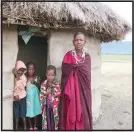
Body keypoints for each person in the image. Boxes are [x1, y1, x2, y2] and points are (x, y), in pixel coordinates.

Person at [58, 32, 92, 130]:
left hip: (83, 91)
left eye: (81, 40)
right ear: (73, 42)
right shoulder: (68, 55)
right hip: (71, 90)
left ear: (85, 42)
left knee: (82, 110)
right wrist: (73, 69)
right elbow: (65, 70)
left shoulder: (87, 57)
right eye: (76, 40)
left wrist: (76, 68)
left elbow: (87, 76)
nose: (78, 42)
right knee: (70, 108)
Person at [40, 65, 61, 130]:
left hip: (54, 107)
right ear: (46, 75)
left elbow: (59, 93)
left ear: (55, 75)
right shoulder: (43, 84)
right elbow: (41, 95)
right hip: (46, 107)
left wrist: (52, 94)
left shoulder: (57, 84)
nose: (50, 77)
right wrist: (46, 93)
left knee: (54, 121)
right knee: (47, 120)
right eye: (49, 75)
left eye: (52, 75)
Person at [26, 62, 42, 130]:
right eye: (29, 69)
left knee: (36, 110)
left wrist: (35, 82)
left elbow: (39, 87)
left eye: (32, 69)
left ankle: (35, 125)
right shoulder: (25, 78)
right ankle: (30, 126)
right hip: (28, 99)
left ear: (34, 70)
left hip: (35, 98)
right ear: (27, 70)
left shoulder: (37, 78)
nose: (31, 70)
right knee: (28, 111)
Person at [13, 60, 27, 130]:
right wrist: (15, 95)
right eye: (19, 70)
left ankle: (24, 126)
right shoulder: (13, 77)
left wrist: (18, 80)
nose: (20, 72)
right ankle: (16, 127)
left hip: (23, 97)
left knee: (23, 112)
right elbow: (12, 88)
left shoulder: (24, 77)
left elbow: (22, 87)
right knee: (16, 113)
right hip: (16, 98)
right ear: (16, 70)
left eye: (22, 70)